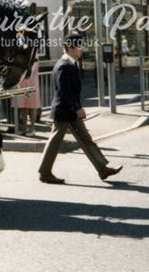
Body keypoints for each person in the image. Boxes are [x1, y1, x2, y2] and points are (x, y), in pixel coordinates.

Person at [38, 33, 123, 184]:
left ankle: (102, 169)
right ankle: (44, 172)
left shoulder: (69, 63)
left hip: (69, 110)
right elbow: (64, 92)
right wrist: (77, 108)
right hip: (65, 110)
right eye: (79, 46)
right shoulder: (63, 66)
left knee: (85, 139)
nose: (82, 49)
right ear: (70, 47)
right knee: (55, 141)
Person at [13, 59, 41, 136]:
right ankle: (24, 128)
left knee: (32, 106)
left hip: (32, 82)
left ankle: (32, 128)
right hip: (22, 82)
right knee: (23, 107)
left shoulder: (34, 55)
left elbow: (32, 70)